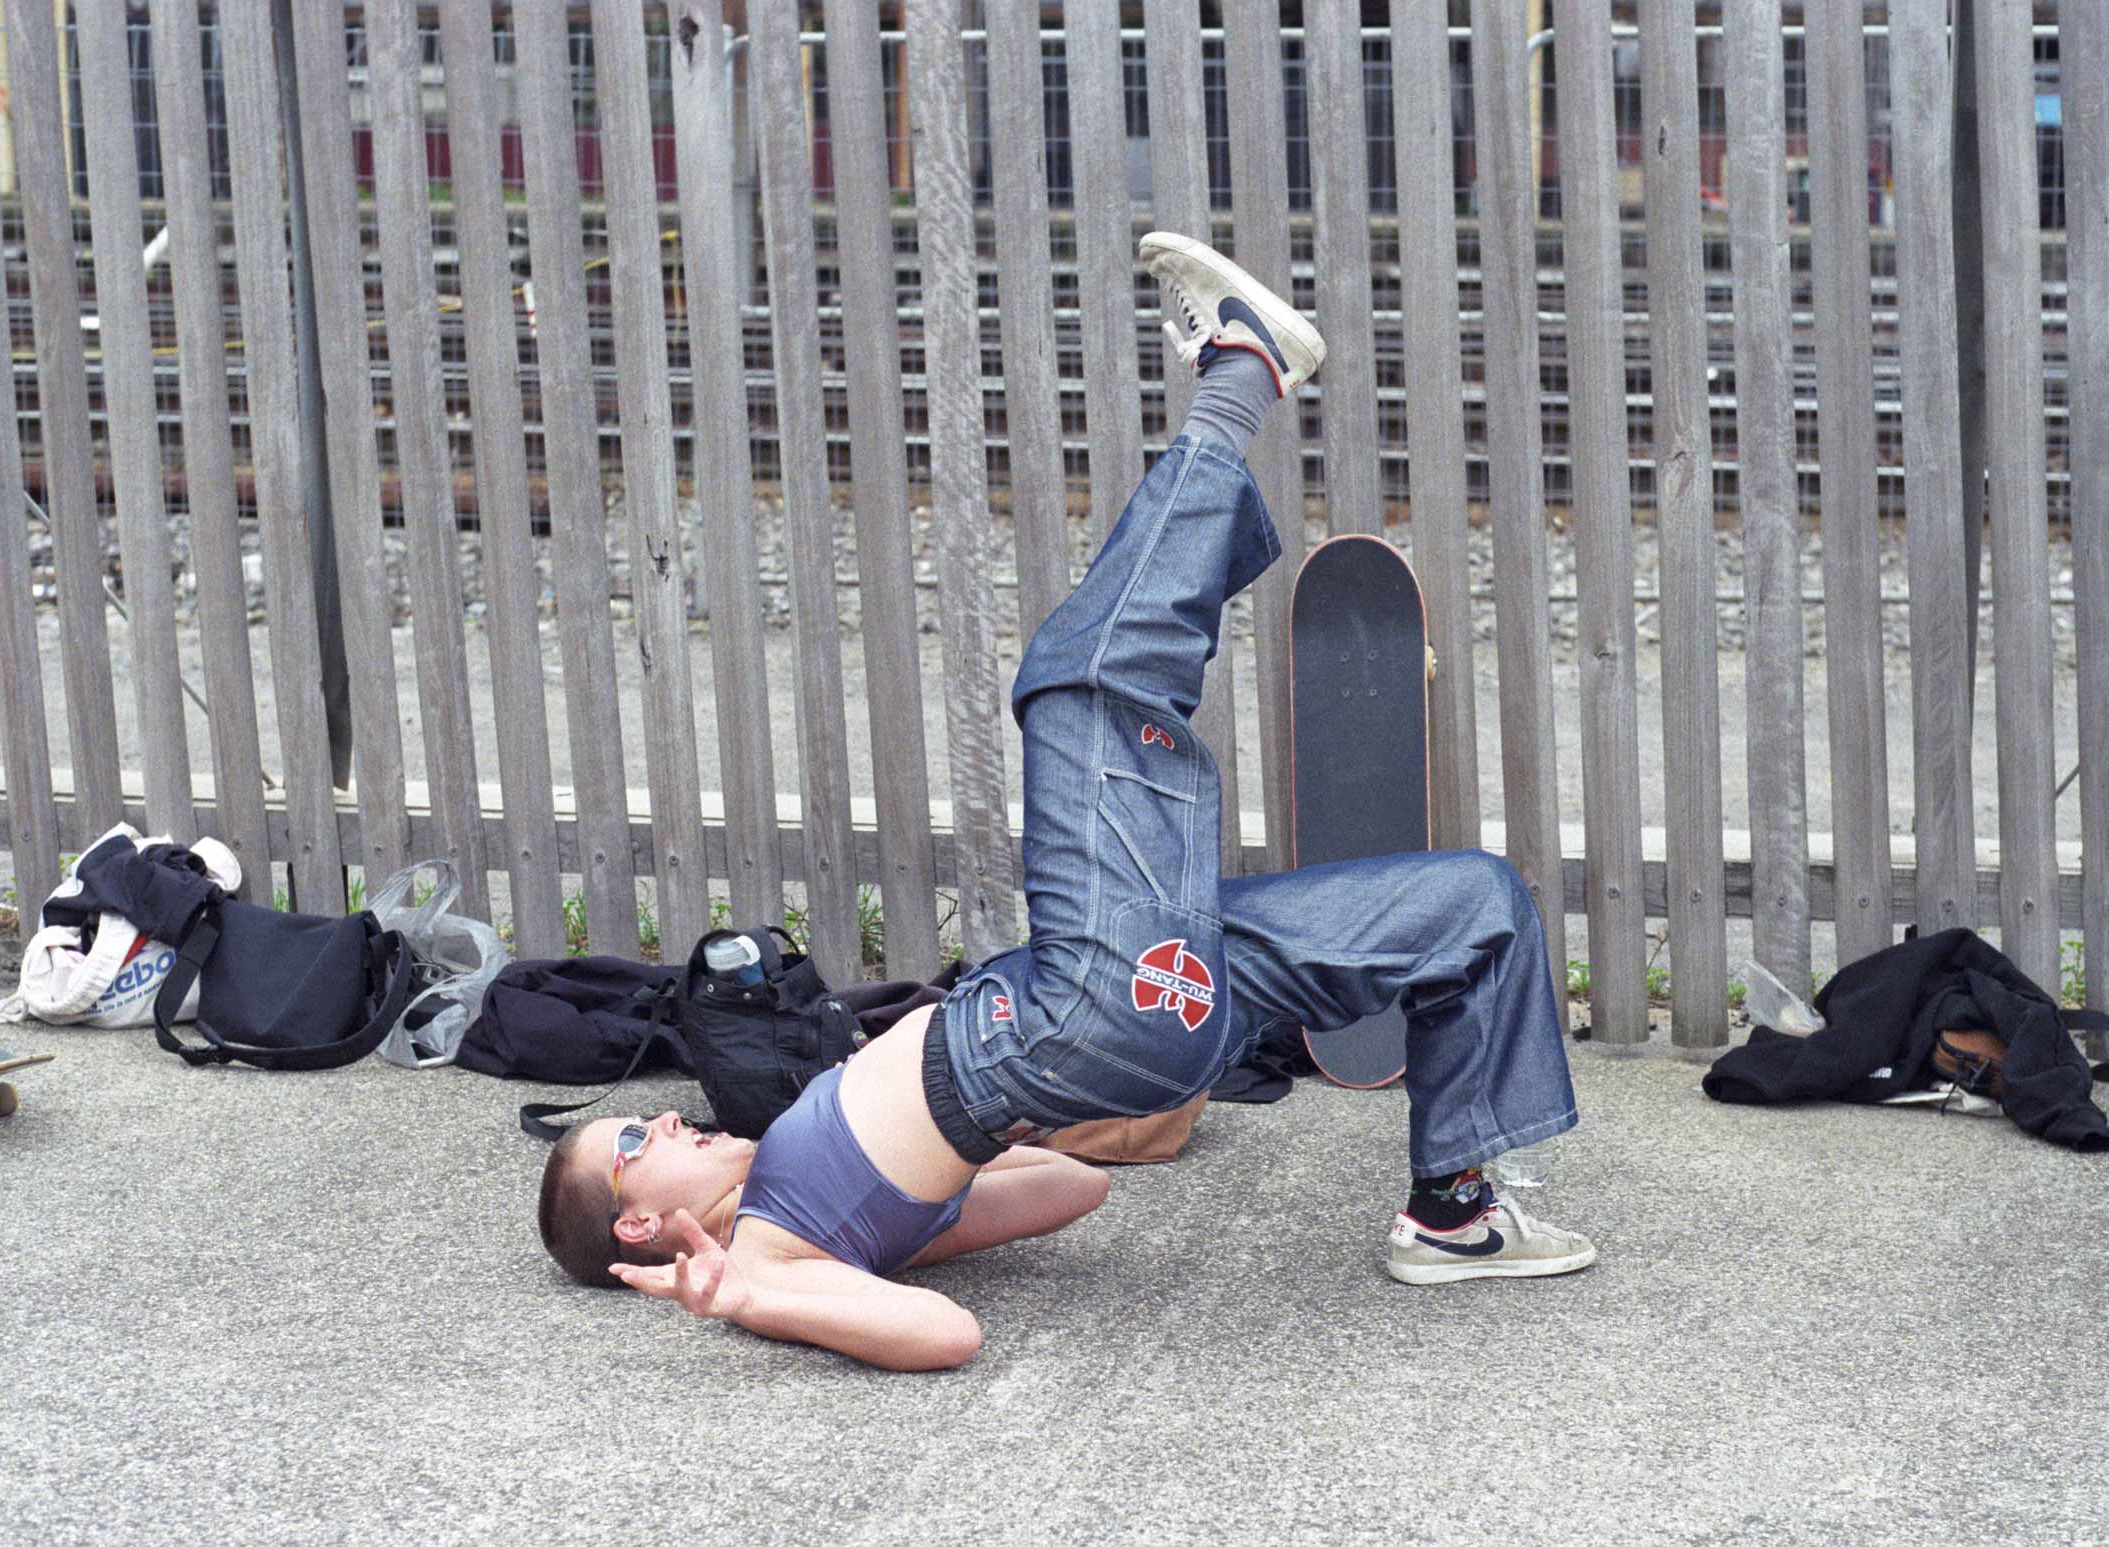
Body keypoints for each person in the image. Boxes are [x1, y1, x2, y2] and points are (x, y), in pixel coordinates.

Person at [537, 233, 1590, 1370]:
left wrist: (940, 1166)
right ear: (640, 1224)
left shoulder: (819, 1205)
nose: (667, 1117)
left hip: (1101, 1031)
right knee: (1083, 684)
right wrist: (747, 1295)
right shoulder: (771, 1250)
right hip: (1070, 1014)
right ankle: (1244, 373)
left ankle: (1458, 1211)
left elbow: (1074, 1186)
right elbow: (947, 1338)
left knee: (1472, 904)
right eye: (637, 1139)